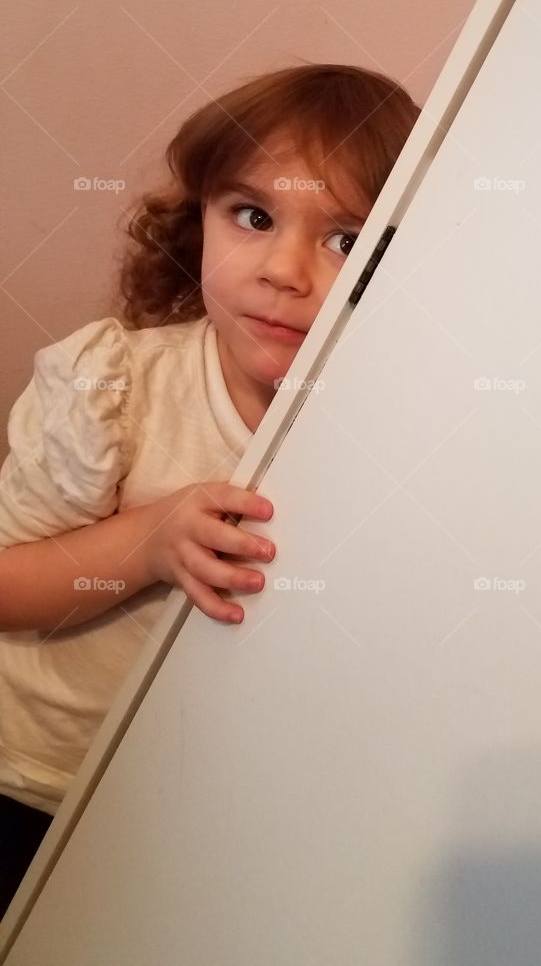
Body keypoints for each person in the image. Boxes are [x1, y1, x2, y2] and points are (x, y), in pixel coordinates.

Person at [0, 61, 420, 916]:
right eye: (254, 216)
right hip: (30, 776)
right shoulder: (112, 387)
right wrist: (148, 541)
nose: (284, 270)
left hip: (184, 817)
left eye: (346, 239)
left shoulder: (390, 442)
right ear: (199, 222)